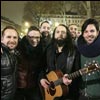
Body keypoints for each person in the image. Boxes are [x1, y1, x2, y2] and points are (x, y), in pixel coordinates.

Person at [39, 24, 81, 100]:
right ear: (54, 34)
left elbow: (78, 71)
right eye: (57, 32)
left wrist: (71, 80)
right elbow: (42, 66)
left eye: (63, 32)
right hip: (50, 92)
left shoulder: (74, 51)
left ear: (67, 35)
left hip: (68, 94)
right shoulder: (49, 49)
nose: (60, 34)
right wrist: (41, 78)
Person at [14, 26, 44, 100]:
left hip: (33, 87)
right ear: (27, 37)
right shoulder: (18, 47)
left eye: (37, 37)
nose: (34, 40)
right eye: (31, 37)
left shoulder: (42, 49)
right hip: (18, 87)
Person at [77, 18, 100, 100]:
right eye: (86, 31)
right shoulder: (78, 49)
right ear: (82, 34)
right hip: (82, 95)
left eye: (92, 31)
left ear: (98, 32)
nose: (89, 34)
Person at [1, 26, 19, 100]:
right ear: (1, 39)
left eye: (15, 37)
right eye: (8, 37)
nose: (12, 40)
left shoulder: (14, 53)